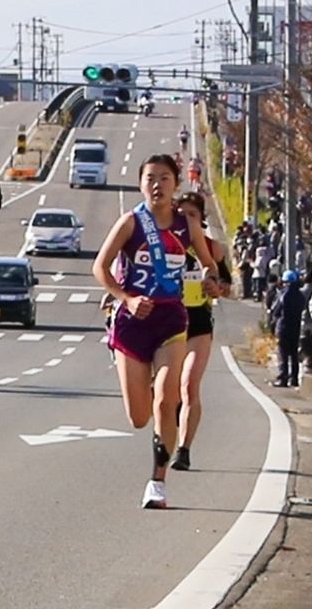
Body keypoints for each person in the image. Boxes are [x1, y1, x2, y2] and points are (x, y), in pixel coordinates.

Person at [92, 155, 218, 509]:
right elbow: (100, 268)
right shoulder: (130, 223)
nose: (156, 185)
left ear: (176, 185)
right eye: (150, 178)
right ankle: (144, 380)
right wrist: (125, 298)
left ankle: (157, 482)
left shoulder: (185, 225)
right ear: (140, 184)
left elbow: (210, 265)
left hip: (171, 320)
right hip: (132, 322)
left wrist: (211, 281)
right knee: (139, 417)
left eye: (164, 178)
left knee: (167, 398)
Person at [172, 192, 231, 471]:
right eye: (181, 215)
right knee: (168, 391)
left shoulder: (212, 248)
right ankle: (173, 417)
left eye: (192, 216)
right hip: (167, 324)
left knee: (189, 385)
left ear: (201, 220)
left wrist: (215, 286)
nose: (186, 222)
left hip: (198, 324)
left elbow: (228, 288)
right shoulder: (164, 246)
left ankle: (183, 450)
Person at [269, 270, 306, 387]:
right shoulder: (300, 295)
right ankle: (294, 378)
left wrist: (272, 320)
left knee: (283, 353)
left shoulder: (283, 294)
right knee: (294, 353)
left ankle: (283, 378)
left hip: (283, 325)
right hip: (295, 326)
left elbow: (275, 309)